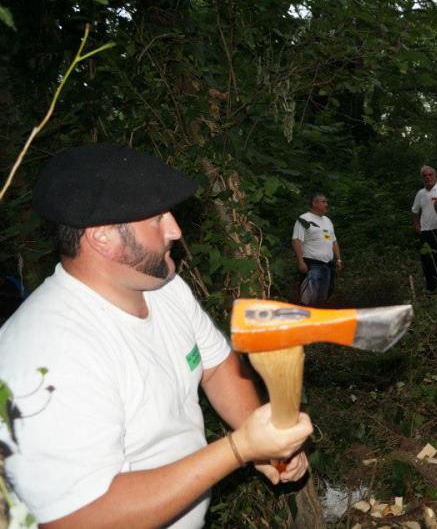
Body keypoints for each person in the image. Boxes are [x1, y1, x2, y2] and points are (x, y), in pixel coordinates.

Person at [0, 144, 313, 528]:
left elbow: (217, 368)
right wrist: (239, 448)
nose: (175, 230)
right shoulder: (47, 354)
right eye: (156, 219)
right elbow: (77, 519)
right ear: (102, 238)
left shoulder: (162, 287)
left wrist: (266, 444)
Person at [292, 192, 342, 306]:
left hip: (327, 265)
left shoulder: (327, 221)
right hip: (312, 264)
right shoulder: (304, 219)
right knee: (308, 298)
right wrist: (300, 262)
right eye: (323, 202)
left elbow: (333, 241)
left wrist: (338, 260)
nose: (326, 204)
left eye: (326, 202)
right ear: (315, 203)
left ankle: (318, 321)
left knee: (323, 297)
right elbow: (296, 241)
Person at [412, 166, 437, 291]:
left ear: (435, 175)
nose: (428, 177)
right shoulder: (420, 193)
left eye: (430, 174)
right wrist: (417, 225)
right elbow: (414, 211)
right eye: (425, 175)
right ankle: (432, 290)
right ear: (422, 178)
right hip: (426, 232)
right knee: (427, 262)